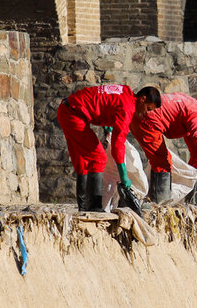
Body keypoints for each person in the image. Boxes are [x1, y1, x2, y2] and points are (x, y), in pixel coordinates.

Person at [57, 84, 161, 212]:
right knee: (98, 157)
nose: (147, 113)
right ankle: (94, 207)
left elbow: (103, 101)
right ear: (142, 99)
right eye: (148, 108)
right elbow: (118, 144)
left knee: (82, 162)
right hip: (73, 114)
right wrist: (124, 175)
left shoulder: (125, 93)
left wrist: (107, 124)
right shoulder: (127, 108)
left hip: (66, 108)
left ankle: (84, 207)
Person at [130, 93, 197, 203]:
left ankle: (152, 198)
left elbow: (194, 142)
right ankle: (159, 204)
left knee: (160, 160)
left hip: (138, 116)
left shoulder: (188, 101)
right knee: (162, 163)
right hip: (149, 121)